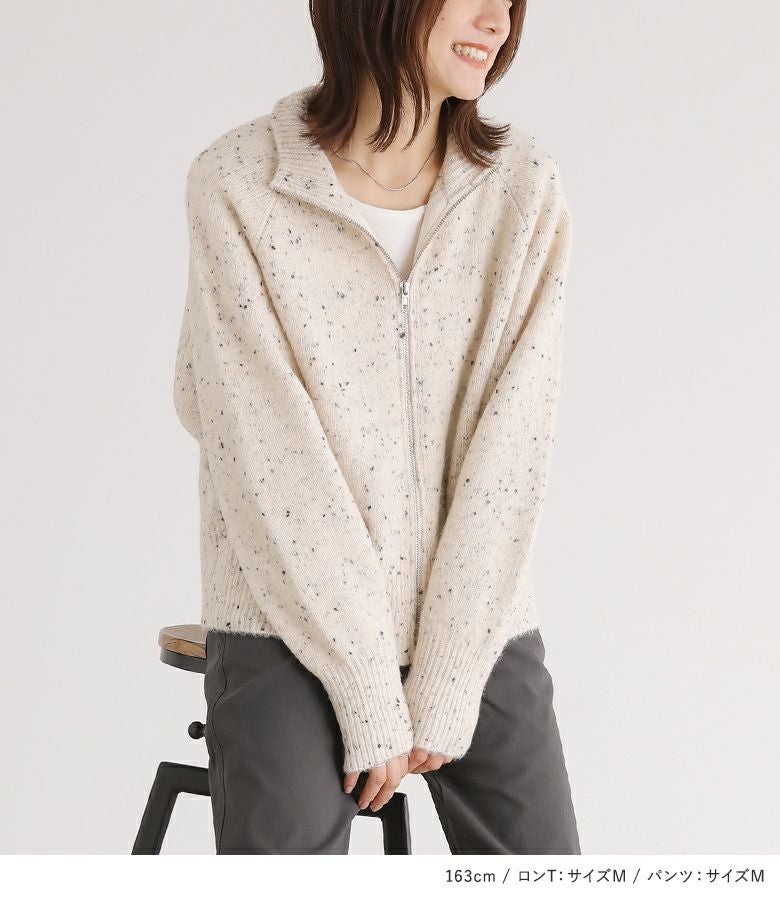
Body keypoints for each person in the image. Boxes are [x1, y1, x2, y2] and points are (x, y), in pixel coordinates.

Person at [173, 0, 580, 854]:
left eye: (508, 1)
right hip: (287, 615)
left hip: (475, 619)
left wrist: (449, 675)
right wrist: (363, 688)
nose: (497, 20)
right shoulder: (240, 183)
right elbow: (265, 454)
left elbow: (512, 452)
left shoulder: (522, 188)